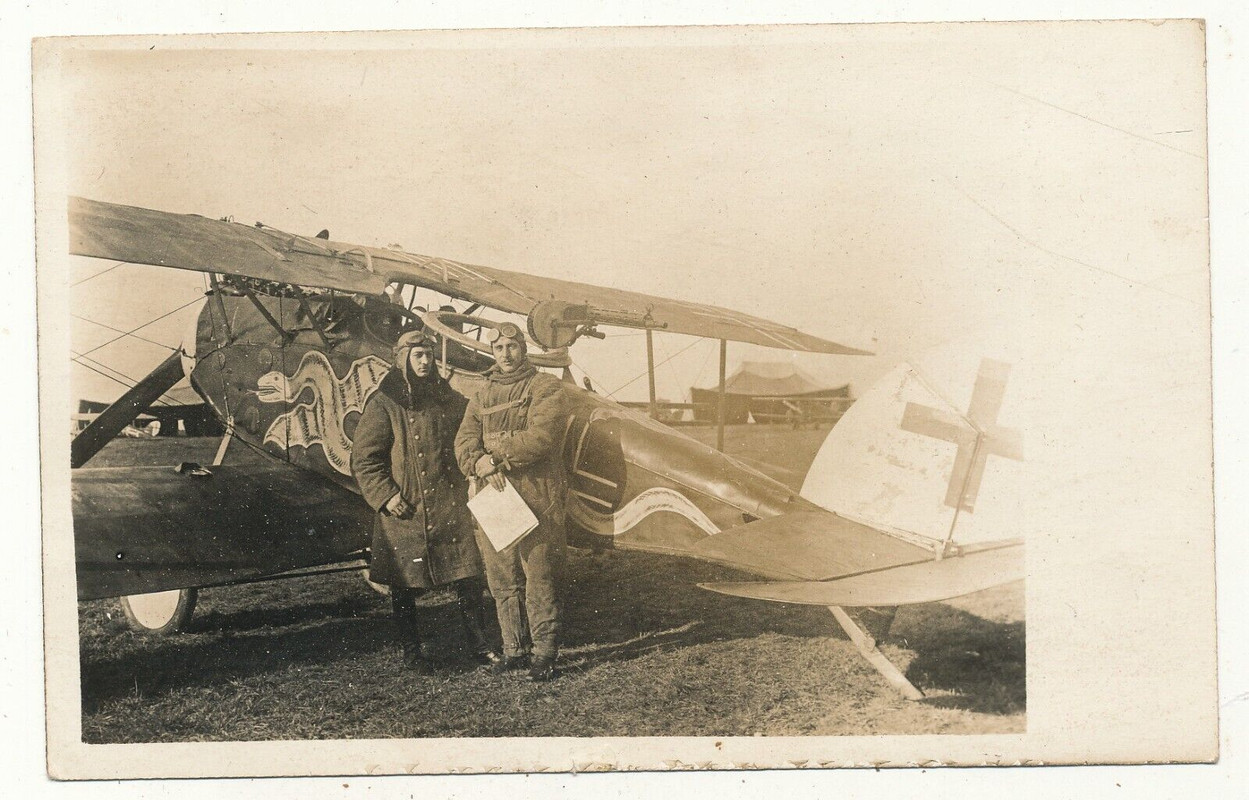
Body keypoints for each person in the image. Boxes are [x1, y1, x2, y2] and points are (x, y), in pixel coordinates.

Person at [352, 329, 498, 674]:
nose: (425, 361)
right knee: (403, 586)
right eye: (417, 355)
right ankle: (412, 652)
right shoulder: (383, 403)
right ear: (402, 358)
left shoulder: (446, 398)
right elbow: (364, 459)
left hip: (449, 504)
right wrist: (386, 497)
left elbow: (475, 422)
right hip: (405, 510)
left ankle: (480, 644)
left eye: (429, 355)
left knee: (468, 576)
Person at [455, 322, 568, 682]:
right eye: (499, 347)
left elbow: (542, 437)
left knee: (539, 576)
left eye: (512, 346)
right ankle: (514, 649)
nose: (506, 354)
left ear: (523, 349)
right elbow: (464, 441)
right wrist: (478, 463)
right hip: (495, 496)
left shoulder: (545, 386)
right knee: (501, 577)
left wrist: (495, 458)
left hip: (537, 495)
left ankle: (544, 653)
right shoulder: (482, 392)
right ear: (492, 351)